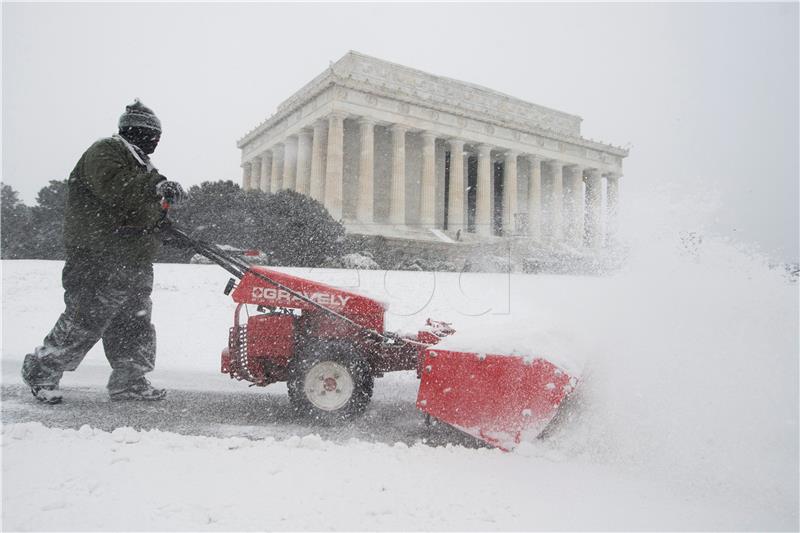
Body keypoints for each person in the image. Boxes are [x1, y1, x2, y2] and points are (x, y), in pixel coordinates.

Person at [21, 100, 187, 404]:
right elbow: (116, 189)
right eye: (153, 134)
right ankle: (42, 372)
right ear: (137, 131)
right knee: (85, 319)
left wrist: (164, 225)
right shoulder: (107, 151)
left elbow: (140, 210)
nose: (155, 141)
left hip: (132, 260)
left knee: (133, 323)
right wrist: (156, 186)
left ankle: (129, 382)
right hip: (98, 255)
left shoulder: (141, 165)